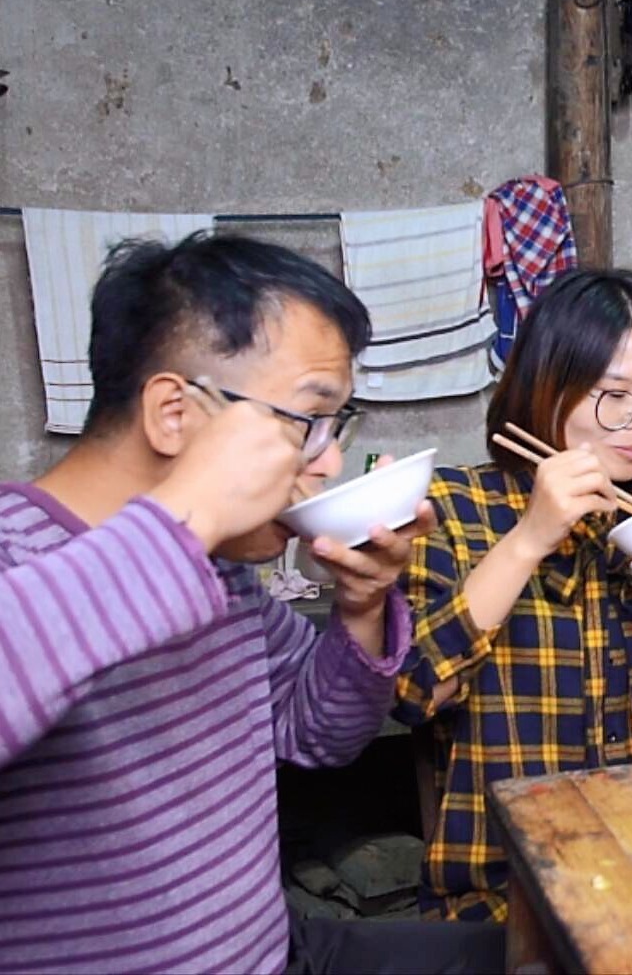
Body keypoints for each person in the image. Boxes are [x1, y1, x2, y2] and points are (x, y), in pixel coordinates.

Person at [0, 232, 504, 973]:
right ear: (175, 413)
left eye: (338, 424)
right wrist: (187, 515)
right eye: (307, 420)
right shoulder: (19, 549)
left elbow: (320, 735)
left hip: (274, 951)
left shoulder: (224, 574)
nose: (328, 460)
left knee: (545, 947)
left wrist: (361, 607)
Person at [395, 267, 632, 922]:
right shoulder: (451, 506)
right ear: (547, 384)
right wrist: (530, 537)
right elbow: (414, 690)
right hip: (509, 898)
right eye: (614, 394)